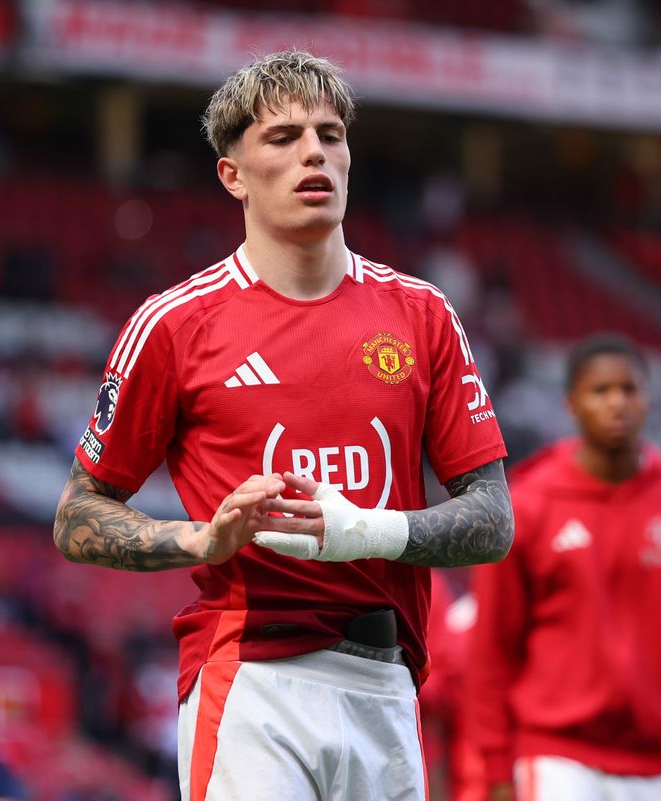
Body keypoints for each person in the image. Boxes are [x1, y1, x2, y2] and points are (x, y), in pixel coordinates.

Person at [53, 50, 513, 801]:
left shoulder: (423, 314)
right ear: (232, 174)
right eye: (284, 137)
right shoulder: (172, 325)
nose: (314, 153)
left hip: (389, 683)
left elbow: (493, 519)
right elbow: (77, 515)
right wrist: (202, 537)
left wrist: (363, 529)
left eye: (331, 135)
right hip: (251, 680)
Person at [466, 333, 661, 801]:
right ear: (572, 403)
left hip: (660, 766)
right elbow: (492, 649)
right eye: (601, 391)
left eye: (630, 389)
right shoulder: (529, 507)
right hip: (556, 759)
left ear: (649, 398)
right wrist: (496, 769)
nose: (618, 403)